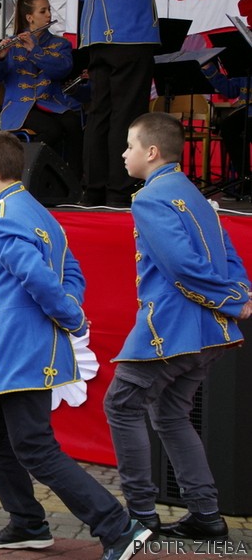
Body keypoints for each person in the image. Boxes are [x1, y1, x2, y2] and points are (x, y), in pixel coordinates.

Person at [0, 130, 151, 560]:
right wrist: (70, 308)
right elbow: (72, 272)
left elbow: (37, 277)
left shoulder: (5, 216)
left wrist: (71, 316)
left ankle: (117, 526)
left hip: (16, 350)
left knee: (34, 446)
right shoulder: (39, 212)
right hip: (23, 349)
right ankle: (27, 523)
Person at [104, 112, 252, 541]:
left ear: (151, 152)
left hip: (171, 329)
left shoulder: (150, 198)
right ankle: (206, 514)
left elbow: (181, 267)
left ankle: (141, 514)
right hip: (210, 331)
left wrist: (232, 299)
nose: (124, 154)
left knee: (121, 406)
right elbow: (228, 254)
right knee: (170, 414)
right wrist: (238, 295)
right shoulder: (192, 192)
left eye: (130, 146)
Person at [75, 0, 188, 206]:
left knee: (98, 114)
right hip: (131, 33)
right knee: (126, 115)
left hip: (94, 34)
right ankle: (119, 193)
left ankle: (93, 192)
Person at [0, 0, 84, 182]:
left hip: (51, 104)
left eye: (49, 10)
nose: (49, 15)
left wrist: (34, 50)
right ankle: (29, 175)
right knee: (52, 130)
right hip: (18, 107)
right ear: (30, 17)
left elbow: (63, 69)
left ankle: (72, 182)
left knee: (73, 124)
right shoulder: (13, 43)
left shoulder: (60, 44)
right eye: (43, 11)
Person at [202, 60, 251, 198]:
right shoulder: (244, 62)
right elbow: (231, 91)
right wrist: (209, 69)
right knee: (228, 126)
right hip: (246, 111)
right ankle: (245, 179)